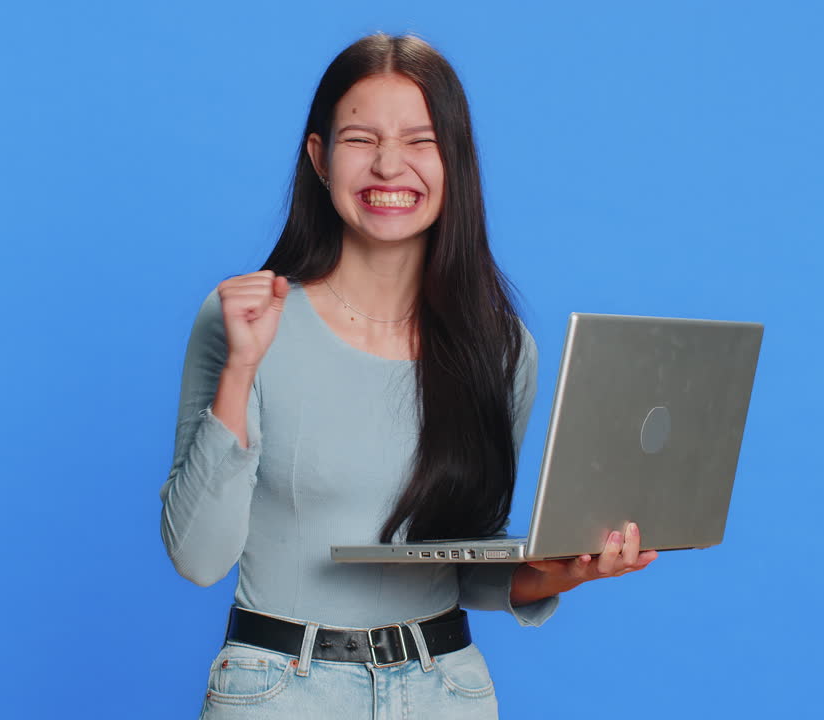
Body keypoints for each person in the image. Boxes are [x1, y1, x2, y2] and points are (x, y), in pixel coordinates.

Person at [161, 33, 656, 719]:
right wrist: (242, 367)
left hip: (445, 689)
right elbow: (198, 558)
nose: (389, 165)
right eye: (361, 139)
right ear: (319, 158)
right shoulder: (245, 320)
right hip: (280, 690)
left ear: (455, 161)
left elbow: (463, 570)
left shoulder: (500, 347)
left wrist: (565, 572)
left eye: (421, 142)